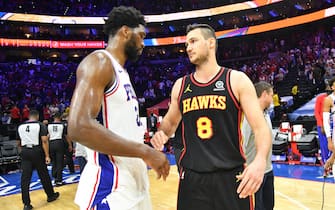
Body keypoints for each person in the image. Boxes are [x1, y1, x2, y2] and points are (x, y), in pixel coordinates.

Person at [151, 23, 272, 210]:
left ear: (211, 43)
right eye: (186, 44)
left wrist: (260, 160)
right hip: (192, 179)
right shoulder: (181, 86)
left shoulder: (236, 80)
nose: (188, 48)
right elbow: (170, 123)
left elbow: (260, 127)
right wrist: (161, 133)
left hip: (231, 177)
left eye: (193, 41)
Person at [67, 6, 170, 210]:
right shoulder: (99, 61)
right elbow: (78, 126)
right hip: (110, 186)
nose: (142, 43)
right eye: (140, 36)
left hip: (133, 183)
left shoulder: (121, 72)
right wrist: (145, 151)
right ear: (125, 31)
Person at [16, 110, 59, 210]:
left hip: (25, 151)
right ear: (37, 116)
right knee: (43, 175)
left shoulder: (20, 126)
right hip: (37, 151)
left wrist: (22, 152)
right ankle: (50, 195)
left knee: (25, 178)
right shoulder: (40, 125)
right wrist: (47, 156)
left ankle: (26, 204)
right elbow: (44, 141)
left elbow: (18, 142)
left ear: (29, 116)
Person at [241, 81, 275, 210]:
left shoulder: (265, 114)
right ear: (264, 94)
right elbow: (241, 143)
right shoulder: (248, 115)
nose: (273, 98)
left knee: (268, 206)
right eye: (271, 95)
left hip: (267, 169)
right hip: (253, 172)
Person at [48, 112, 67, 186]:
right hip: (59, 142)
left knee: (54, 161)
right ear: (60, 118)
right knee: (60, 162)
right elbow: (66, 136)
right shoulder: (62, 125)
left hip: (51, 143)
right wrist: (69, 145)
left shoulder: (49, 125)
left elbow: (47, 136)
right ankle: (59, 180)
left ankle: (54, 175)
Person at [315, 89, 332, 165]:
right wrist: (321, 125)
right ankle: (326, 163)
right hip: (323, 125)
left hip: (332, 124)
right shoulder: (320, 98)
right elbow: (317, 113)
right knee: (325, 145)